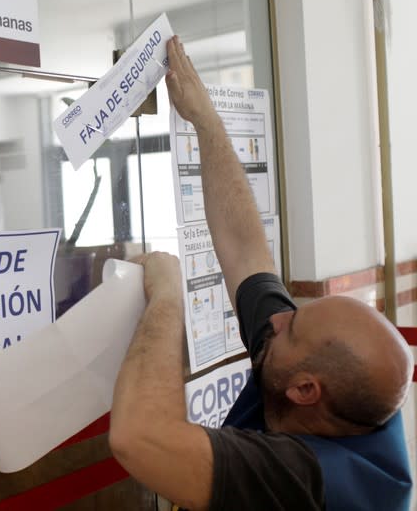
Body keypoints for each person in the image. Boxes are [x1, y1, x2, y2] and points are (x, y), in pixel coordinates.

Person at [109, 35, 414, 511]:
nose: (276, 318)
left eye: (291, 326)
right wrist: (205, 122)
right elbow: (247, 251)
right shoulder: (349, 391)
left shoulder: (313, 480)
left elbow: (139, 437)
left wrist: (168, 298)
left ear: (305, 390)